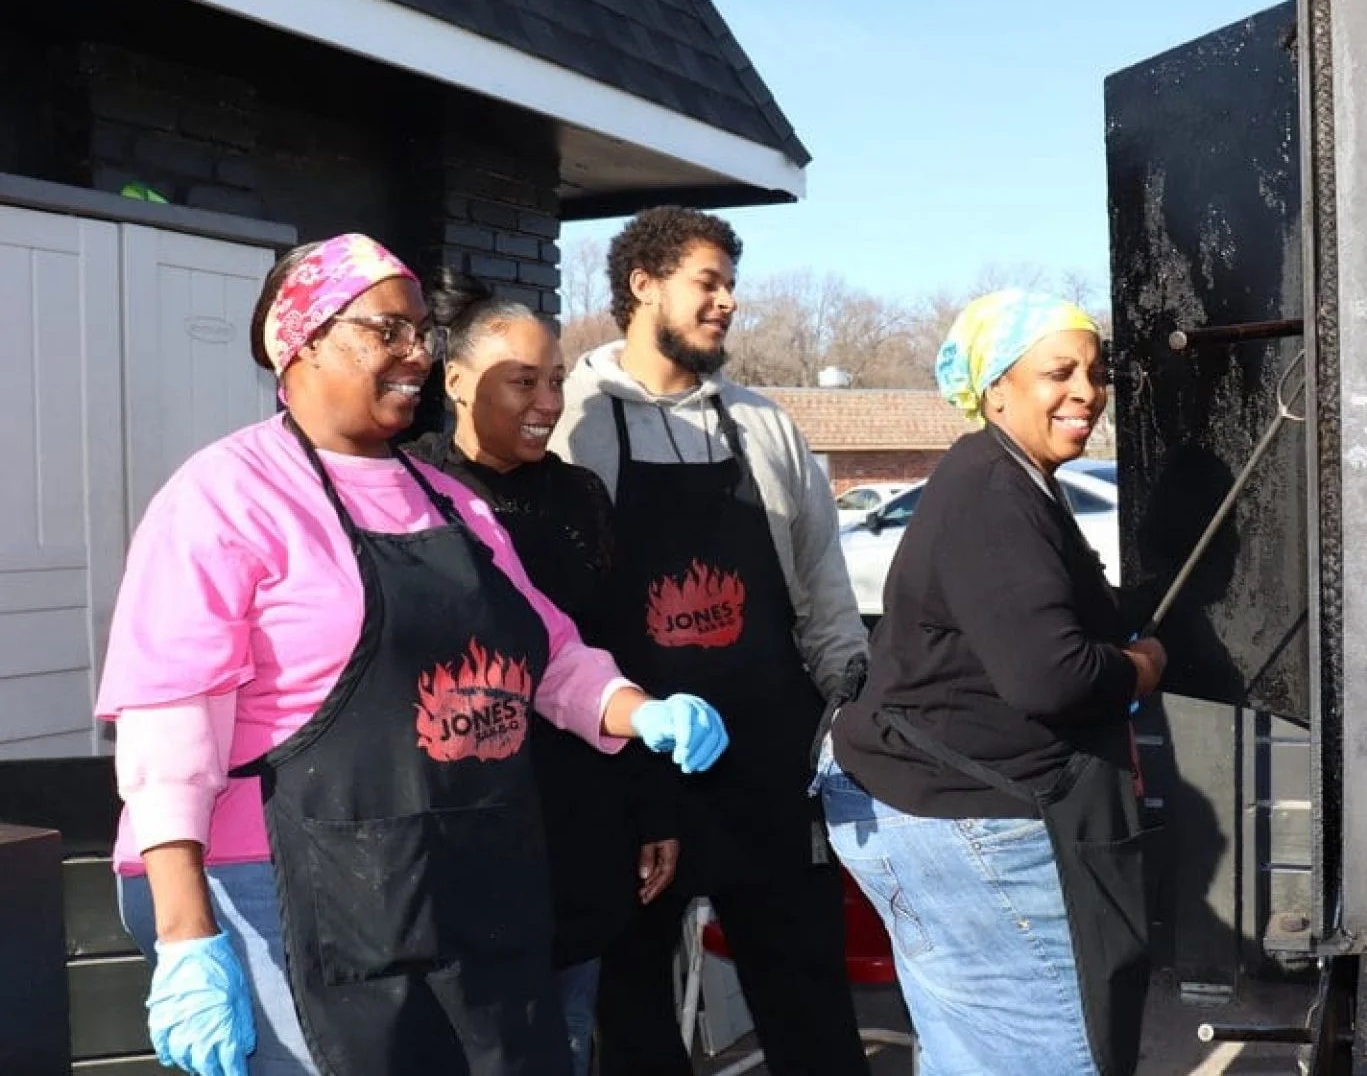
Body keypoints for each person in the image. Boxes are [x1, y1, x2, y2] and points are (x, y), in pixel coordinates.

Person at [99, 233, 731, 1076]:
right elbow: (167, 735)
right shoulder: (225, 496)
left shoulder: (449, 498)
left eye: (422, 334)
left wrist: (638, 710)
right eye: (386, 331)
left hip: (447, 877)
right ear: (303, 339)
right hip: (271, 884)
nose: (417, 355)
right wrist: (186, 938)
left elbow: (547, 651)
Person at [552, 206, 871, 1075]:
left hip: (768, 761)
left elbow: (822, 582)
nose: (727, 301)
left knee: (807, 992)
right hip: (633, 764)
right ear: (643, 285)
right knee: (634, 1008)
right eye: (708, 281)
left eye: (732, 284)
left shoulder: (764, 426)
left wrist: (844, 698)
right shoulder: (573, 421)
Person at [820, 290, 1169, 1076]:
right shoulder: (992, 491)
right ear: (995, 389)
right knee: (1040, 1054)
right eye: (1059, 371)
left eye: (1094, 370)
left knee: (973, 1051)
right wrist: (1142, 667)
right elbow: (1053, 675)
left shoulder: (1012, 476)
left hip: (931, 803)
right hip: (966, 818)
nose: (1087, 390)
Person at [403, 269, 683, 1076]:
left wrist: (653, 803)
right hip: (460, 818)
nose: (549, 402)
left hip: (579, 820)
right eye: (523, 381)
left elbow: (618, 648)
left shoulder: (579, 495)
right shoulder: (413, 490)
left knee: (563, 1032)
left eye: (556, 380)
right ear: (457, 381)